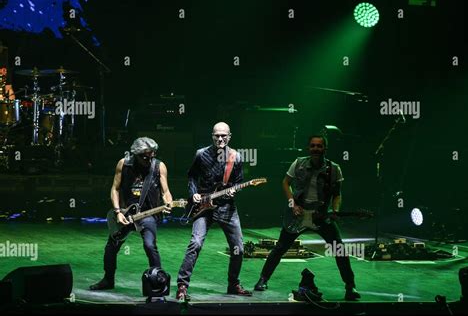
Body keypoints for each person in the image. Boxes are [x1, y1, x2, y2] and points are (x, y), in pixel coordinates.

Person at [254, 134, 361, 301]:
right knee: (280, 248)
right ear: (308, 148)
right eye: (313, 146)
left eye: (319, 146)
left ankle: (350, 286)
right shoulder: (298, 163)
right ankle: (263, 280)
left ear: (325, 148)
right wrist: (292, 204)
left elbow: (337, 194)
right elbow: (285, 183)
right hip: (298, 215)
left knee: (340, 250)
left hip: (320, 216)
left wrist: (335, 210)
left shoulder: (334, 169)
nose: (316, 149)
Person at [176, 122, 252, 301]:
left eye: (223, 136)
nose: (220, 139)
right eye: (217, 135)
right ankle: (182, 285)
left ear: (229, 137)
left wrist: (234, 189)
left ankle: (233, 284)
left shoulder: (236, 157)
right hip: (203, 206)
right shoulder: (201, 155)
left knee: (238, 249)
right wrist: (193, 193)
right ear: (212, 136)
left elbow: (238, 181)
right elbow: (192, 176)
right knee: (195, 243)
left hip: (227, 207)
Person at [90, 137, 172, 290]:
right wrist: (117, 212)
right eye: (145, 157)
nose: (149, 159)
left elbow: (165, 191)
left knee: (149, 245)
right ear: (136, 154)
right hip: (126, 214)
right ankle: (108, 280)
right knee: (111, 247)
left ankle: (159, 281)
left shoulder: (159, 166)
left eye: (152, 155)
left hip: (147, 214)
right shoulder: (124, 164)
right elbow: (114, 188)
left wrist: (168, 203)